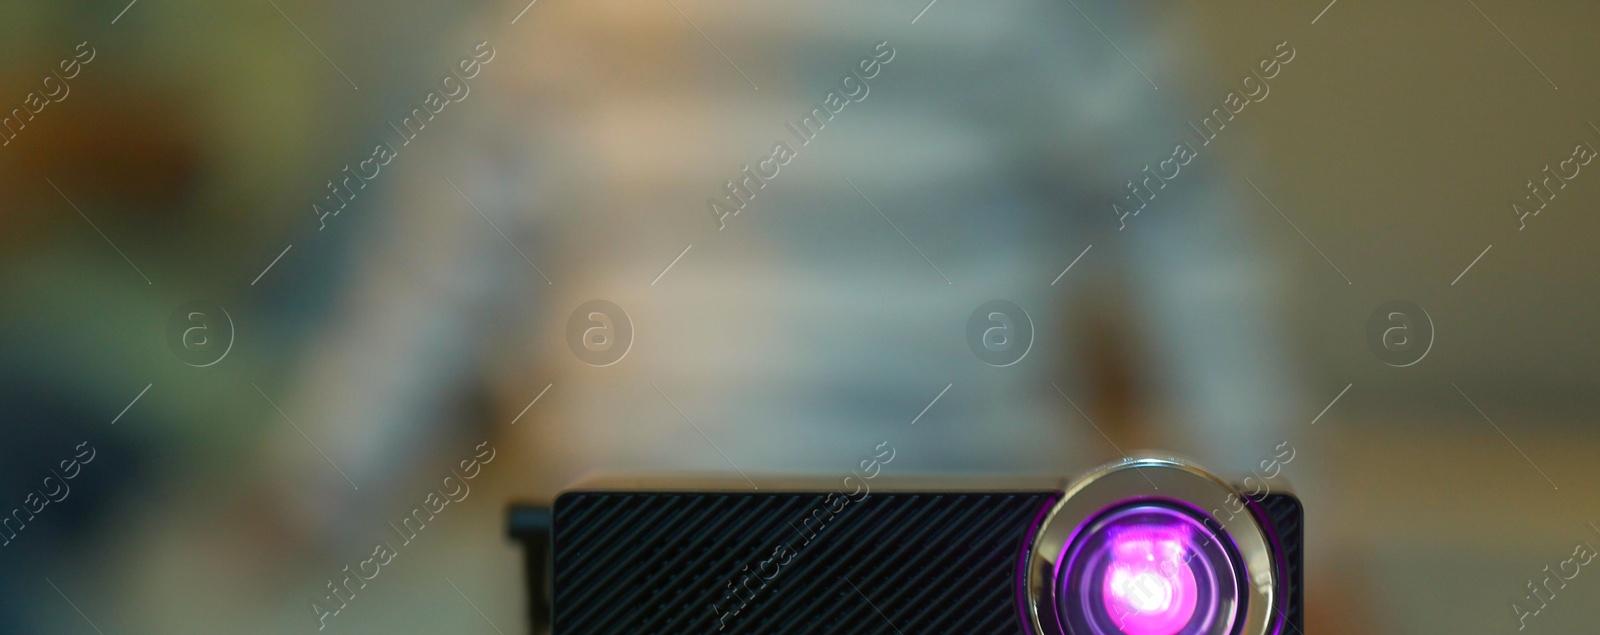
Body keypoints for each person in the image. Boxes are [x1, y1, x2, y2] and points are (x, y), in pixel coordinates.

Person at [267, 0, 1299, 548]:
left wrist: (1280, 516)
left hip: (952, 514)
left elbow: (1179, 216)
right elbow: (449, 248)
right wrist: (323, 476)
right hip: (624, 518)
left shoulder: (1026, 14)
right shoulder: (562, 23)